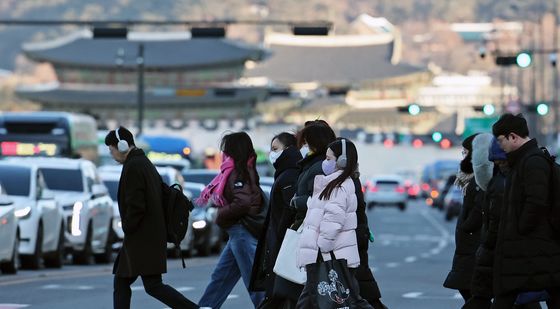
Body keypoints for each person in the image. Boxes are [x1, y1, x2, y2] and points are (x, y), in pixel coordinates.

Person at [105, 127, 198, 309]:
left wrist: (128, 227)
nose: (112, 154)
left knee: (149, 285)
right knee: (127, 283)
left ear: (122, 146)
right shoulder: (143, 162)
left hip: (141, 237)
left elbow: (136, 206)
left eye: (112, 149)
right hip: (148, 236)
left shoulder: (133, 166)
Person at [490, 114, 560, 309]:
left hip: (531, 248)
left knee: (507, 298)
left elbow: (536, 202)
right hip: (527, 249)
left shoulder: (533, 162)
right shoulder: (523, 161)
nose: (500, 146)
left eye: (500, 140)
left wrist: (520, 228)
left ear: (513, 137)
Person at [295, 138, 372, 308]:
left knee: (348, 300)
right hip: (331, 254)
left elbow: (333, 219)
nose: (325, 162)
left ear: (342, 161)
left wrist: (322, 247)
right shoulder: (333, 183)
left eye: (329, 159)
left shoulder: (338, 185)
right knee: (338, 299)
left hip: (330, 254)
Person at [197, 132, 265, 309]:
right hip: (237, 233)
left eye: (226, 149)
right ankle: (206, 306)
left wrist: (218, 215)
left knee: (254, 285)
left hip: (241, 231)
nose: (223, 153)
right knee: (220, 278)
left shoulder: (237, 172)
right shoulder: (240, 169)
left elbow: (242, 203)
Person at [250, 132, 302, 309]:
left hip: (283, 244)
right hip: (279, 242)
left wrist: (279, 237)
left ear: (288, 149)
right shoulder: (284, 173)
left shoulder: (289, 175)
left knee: (280, 294)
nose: (272, 153)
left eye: (275, 149)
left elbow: (290, 211)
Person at [444, 133, 484, 303]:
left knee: (473, 292)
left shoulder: (480, 180)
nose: (464, 156)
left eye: (466, 152)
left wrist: (466, 226)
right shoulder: (472, 179)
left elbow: (479, 209)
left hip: (475, 244)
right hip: (469, 245)